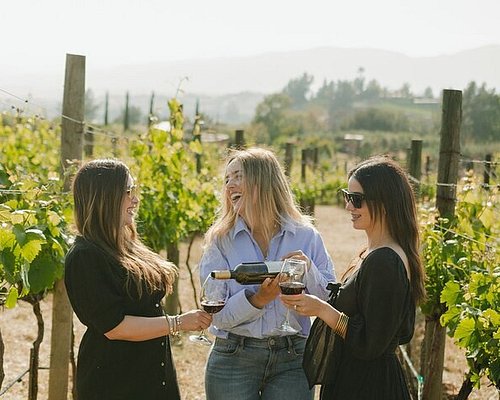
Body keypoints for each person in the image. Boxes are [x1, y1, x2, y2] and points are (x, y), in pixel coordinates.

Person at [64, 159, 212, 400]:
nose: (136, 199)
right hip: (116, 381)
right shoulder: (85, 256)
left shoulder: (124, 245)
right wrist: (178, 323)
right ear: (105, 197)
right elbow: (114, 327)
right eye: (128, 191)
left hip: (150, 371)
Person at [281, 155, 426, 399]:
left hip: (368, 385)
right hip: (360, 378)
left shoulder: (385, 262)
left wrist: (321, 309)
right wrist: (310, 271)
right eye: (347, 197)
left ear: (385, 203)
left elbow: (370, 342)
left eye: (356, 200)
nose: (348, 206)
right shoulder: (375, 252)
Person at [199, 147, 335, 400]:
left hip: (292, 358)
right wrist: (257, 300)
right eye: (227, 179)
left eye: (237, 176)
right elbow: (217, 317)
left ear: (263, 180)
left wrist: (308, 272)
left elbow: (328, 299)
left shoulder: (306, 236)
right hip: (233, 357)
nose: (229, 186)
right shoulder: (220, 240)